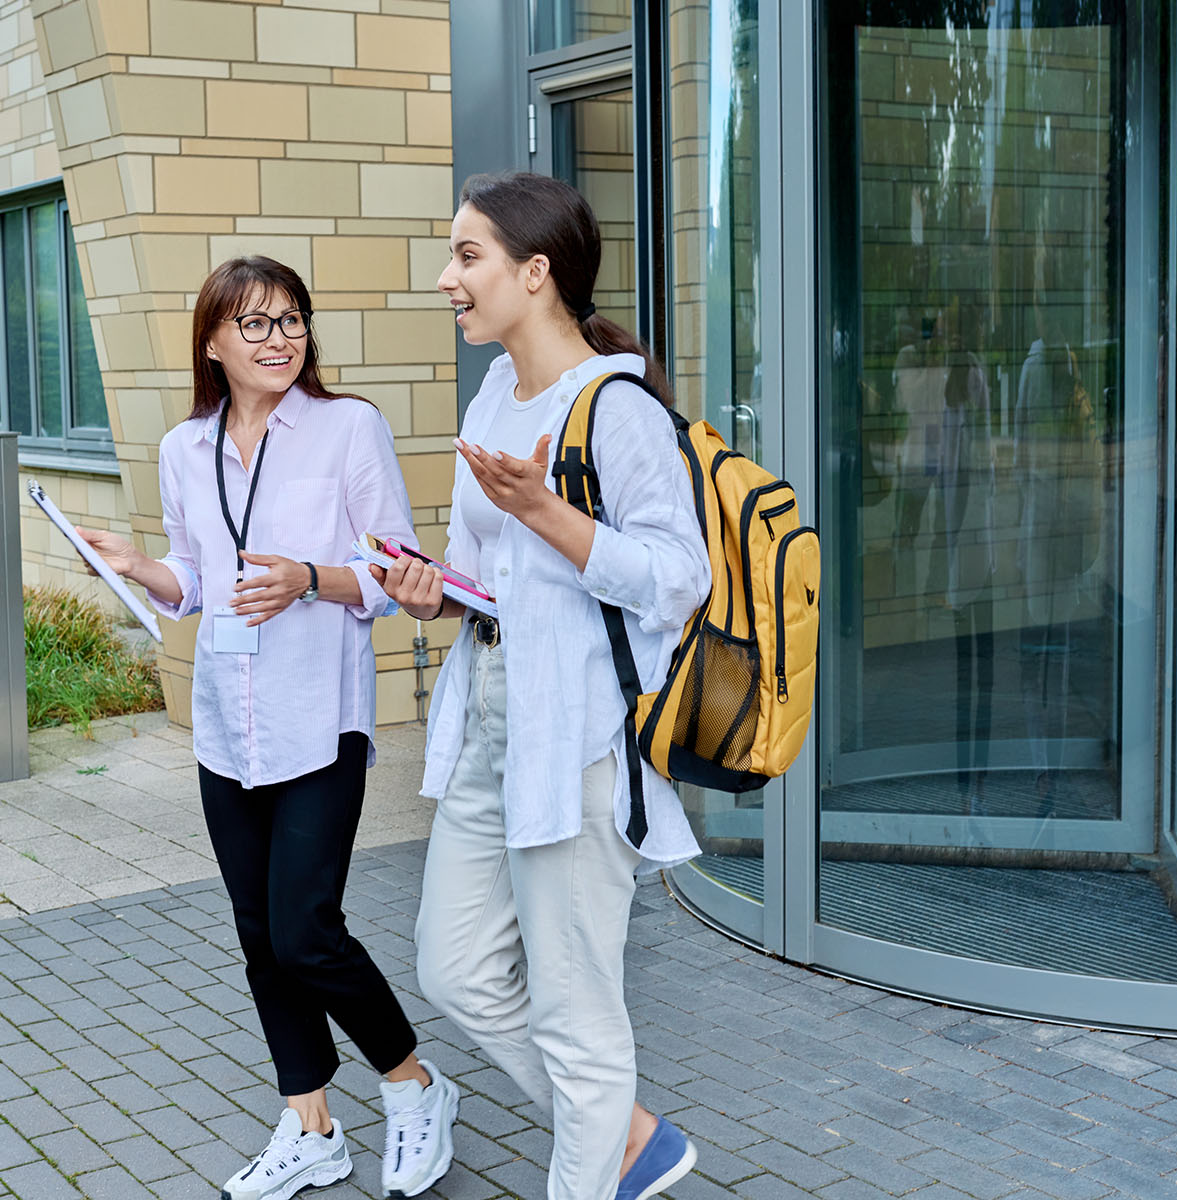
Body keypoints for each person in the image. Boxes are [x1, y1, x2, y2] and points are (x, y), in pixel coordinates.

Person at [78, 256, 460, 1200]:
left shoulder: (347, 429)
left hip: (319, 722)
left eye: (292, 320)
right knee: (260, 938)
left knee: (305, 930)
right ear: (213, 340)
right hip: (226, 729)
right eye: (255, 324)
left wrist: (311, 577)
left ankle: (413, 1083)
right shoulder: (184, 446)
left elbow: (399, 573)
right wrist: (136, 564)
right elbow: (194, 580)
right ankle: (310, 1125)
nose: (280, 338)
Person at [377, 172, 711, 1200]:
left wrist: (548, 514)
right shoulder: (491, 396)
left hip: (577, 744)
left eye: (467, 256)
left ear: (536, 271)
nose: (447, 279)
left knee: (576, 1012)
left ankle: (601, 1158)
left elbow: (677, 578)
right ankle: (629, 1136)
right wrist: (431, 592)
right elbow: (491, 579)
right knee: (454, 965)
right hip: (487, 723)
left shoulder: (617, 407)